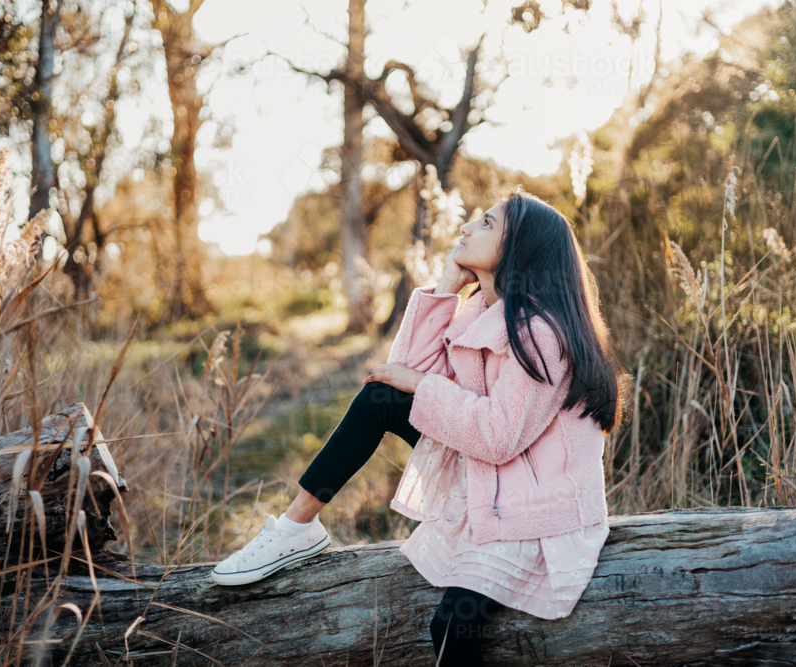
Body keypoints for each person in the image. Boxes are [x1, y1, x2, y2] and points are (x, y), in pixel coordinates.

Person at [210, 185, 626, 666]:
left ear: (521, 248)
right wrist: (446, 286)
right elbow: (402, 372)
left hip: (534, 512)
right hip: (491, 478)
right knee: (380, 398)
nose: (467, 227)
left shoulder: (541, 333)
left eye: (487, 223)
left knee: (451, 624)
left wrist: (421, 386)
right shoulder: (482, 314)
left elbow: (497, 436)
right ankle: (295, 529)